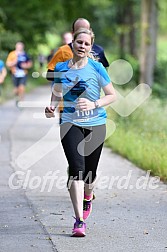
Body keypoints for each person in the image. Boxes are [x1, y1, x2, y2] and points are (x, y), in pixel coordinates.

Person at [45, 28, 116, 237]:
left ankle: (88, 196)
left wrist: (94, 102)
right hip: (69, 123)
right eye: (79, 42)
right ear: (73, 44)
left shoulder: (97, 67)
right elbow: (56, 92)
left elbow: (112, 95)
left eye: (86, 44)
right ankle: (79, 220)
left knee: (89, 174)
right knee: (76, 168)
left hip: (96, 124)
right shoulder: (60, 67)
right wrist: (51, 107)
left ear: (90, 47)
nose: (82, 46)